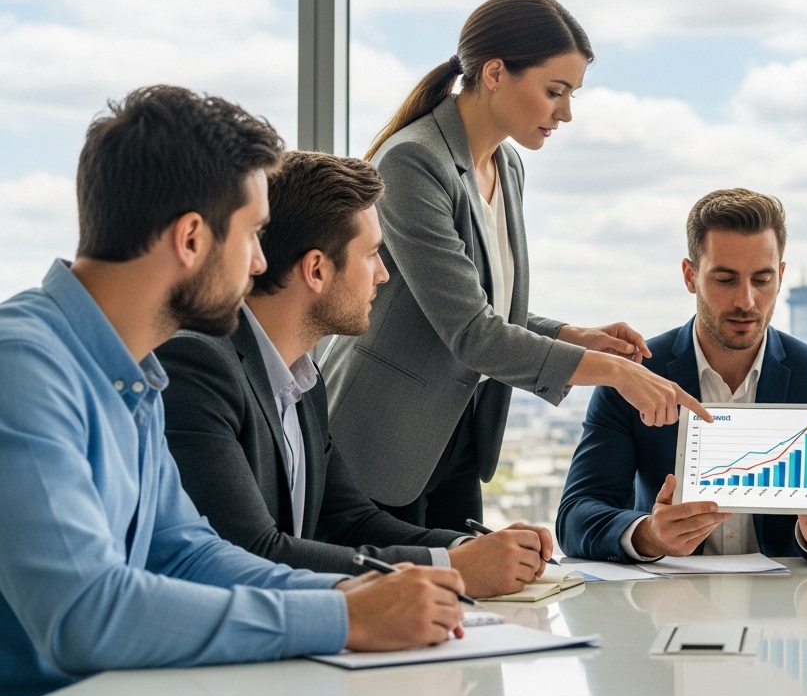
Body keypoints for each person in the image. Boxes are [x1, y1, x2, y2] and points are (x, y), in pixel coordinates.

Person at [0, 87, 471, 696]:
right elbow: (83, 613)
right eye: (252, 234)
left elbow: (188, 554)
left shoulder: (131, 376)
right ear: (192, 238)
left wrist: (356, 592)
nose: (257, 264)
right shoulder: (26, 367)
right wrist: (343, 618)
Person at [322, 0, 708, 530]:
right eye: (555, 91)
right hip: (383, 436)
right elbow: (472, 332)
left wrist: (572, 334)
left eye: (572, 94)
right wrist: (615, 373)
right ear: (496, 72)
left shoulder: (507, 165)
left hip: (455, 431)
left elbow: (482, 306)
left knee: (474, 603)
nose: (567, 113)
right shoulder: (414, 161)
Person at [156, 151, 552, 598]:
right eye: (371, 255)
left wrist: (474, 548)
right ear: (317, 269)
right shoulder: (198, 365)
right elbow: (250, 553)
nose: (383, 274)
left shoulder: (303, 380)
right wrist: (452, 567)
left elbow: (351, 520)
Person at [557, 189, 807, 563]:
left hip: (789, 606)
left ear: (781, 277)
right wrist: (650, 536)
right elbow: (575, 516)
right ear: (691, 276)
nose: (746, 301)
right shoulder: (636, 374)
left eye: (762, 280)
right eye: (725, 279)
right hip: (667, 604)